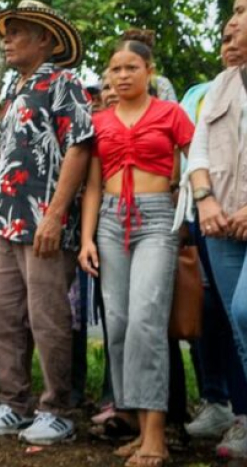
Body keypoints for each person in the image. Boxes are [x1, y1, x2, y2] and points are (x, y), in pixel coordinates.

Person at [0, 0, 93, 446]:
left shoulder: (64, 82)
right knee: (0, 314)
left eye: (17, 30)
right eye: (5, 31)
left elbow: (79, 146)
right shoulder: (13, 91)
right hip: (4, 219)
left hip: (44, 219)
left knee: (47, 317)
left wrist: (56, 214)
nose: (6, 38)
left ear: (45, 38)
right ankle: (15, 403)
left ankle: (57, 409)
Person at [79, 38, 194, 467]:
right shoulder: (101, 121)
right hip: (109, 220)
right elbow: (92, 184)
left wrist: (185, 212)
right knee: (121, 324)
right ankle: (135, 424)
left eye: (131, 67)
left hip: (157, 218)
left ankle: (157, 437)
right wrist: (87, 238)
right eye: (115, 69)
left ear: (149, 70)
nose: (122, 75)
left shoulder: (171, 114)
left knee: (148, 319)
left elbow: (195, 160)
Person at [187, 0, 247, 460]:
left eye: (245, 12)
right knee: (237, 323)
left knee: (246, 311)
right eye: (233, 11)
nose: (234, 22)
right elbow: (199, 150)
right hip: (222, 222)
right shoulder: (220, 85)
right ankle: (244, 419)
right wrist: (205, 200)